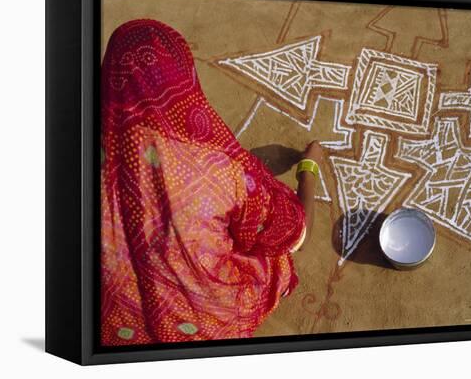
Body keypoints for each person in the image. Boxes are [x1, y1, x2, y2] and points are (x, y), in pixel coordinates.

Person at [100, 19, 323, 345]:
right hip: (202, 327)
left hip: (109, 329)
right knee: (272, 255)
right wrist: (309, 169)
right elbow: (297, 234)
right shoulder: (218, 171)